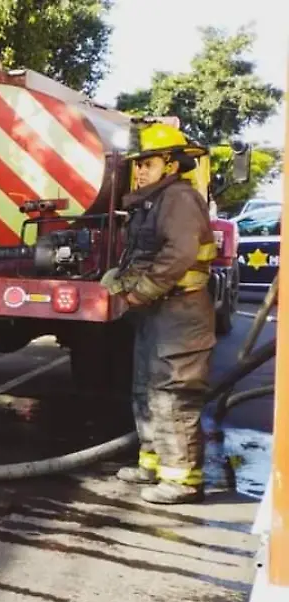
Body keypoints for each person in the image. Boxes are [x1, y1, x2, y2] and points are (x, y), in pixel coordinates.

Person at [102, 122, 217, 505]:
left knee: (173, 394)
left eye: (147, 163)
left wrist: (143, 290)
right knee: (147, 389)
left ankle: (183, 480)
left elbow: (179, 253)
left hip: (181, 314)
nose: (139, 171)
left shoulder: (179, 198)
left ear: (171, 164)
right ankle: (152, 465)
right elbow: (146, 253)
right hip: (158, 313)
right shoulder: (152, 202)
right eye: (138, 164)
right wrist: (123, 281)